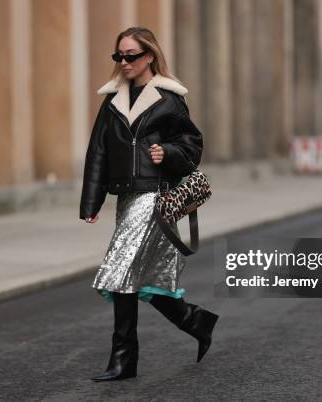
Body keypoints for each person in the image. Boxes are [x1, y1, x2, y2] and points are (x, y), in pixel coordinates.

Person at [79, 26, 219, 382]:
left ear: (149, 57)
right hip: (127, 198)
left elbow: (193, 145)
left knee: (120, 272)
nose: (124, 62)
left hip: (156, 197)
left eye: (131, 56)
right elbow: (98, 153)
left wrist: (168, 152)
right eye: (119, 56)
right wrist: (90, 202)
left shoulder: (169, 99)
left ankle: (124, 359)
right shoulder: (111, 100)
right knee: (139, 280)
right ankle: (195, 321)